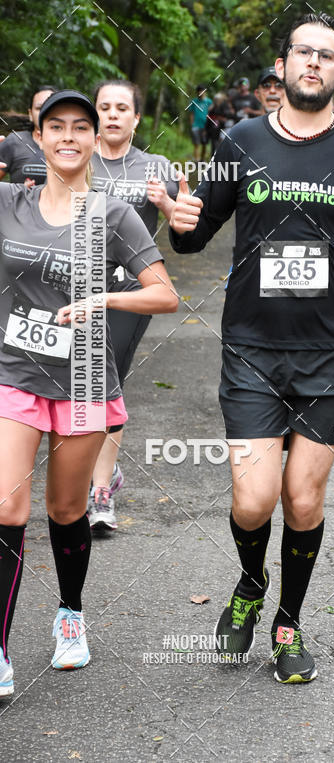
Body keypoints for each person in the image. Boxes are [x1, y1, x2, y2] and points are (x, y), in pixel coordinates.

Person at [169, 11, 334, 684]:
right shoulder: (239, 142)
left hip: (329, 353)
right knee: (255, 499)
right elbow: (195, 238)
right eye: (302, 52)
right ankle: (250, 582)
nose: (312, 63)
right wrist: (181, 224)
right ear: (283, 67)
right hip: (253, 349)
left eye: (326, 56)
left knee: (305, 499)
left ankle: (288, 620)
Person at [0, 90, 177, 698]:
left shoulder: (112, 215)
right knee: (6, 509)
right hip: (14, 373)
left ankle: (69, 612)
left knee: (66, 510)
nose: (70, 136)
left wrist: (104, 299)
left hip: (82, 381)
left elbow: (165, 294)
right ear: (39, 136)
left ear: (92, 136)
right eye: (58, 127)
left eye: (81, 126)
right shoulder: (7, 201)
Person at [87, 80, 179, 531]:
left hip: (130, 290)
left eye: (122, 107)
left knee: (105, 376)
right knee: (73, 382)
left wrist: (165, 202)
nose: (113, 115)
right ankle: (96, 472)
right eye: (104, 107)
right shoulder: (74, 160)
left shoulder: (155, 166)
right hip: (74, 286)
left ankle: (101, 490)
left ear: (136, 118)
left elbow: (184, 230)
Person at [0, 86, 57, 186]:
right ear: (30, 114)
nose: (44, 112)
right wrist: (20, 194)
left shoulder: (72, 146)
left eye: (50, 107)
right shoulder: (15, 141)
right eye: (39, 108)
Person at [189, 84, 213, 161]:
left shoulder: (209, 102)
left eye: (202, 91)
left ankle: (202, 160)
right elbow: (191, 114)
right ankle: (196, 160)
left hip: (205, 126)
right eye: (199, 91)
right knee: (196, 144)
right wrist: (192, 124)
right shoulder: (194, 101)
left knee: (204, 144)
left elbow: (211, 112)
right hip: (196, 125)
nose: (201, 92)